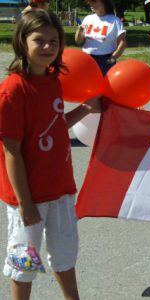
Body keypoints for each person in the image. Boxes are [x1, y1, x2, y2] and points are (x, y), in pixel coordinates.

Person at [0, 10, 101, 299]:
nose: (47, 47)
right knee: (24, 261)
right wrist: (25, 203)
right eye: (39, 40)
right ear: (22, 42)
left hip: (60, 191)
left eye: (54, 41)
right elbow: (11, 151)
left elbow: (55, 127)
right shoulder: (12, 90)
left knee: (65, 254)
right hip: (28, 197)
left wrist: (85, 107)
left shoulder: (54, 81)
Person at [74, 0, 126, 76]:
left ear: (104, 2)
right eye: (90, 2)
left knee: (105, 85)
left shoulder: (115, 21)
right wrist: (79, 30)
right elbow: (78, 41)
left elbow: (122, 43)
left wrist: (113, 58)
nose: (90, 3)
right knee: (87, 85)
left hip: (105, 61)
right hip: (87, 58)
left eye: (94, 1)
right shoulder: (88, 19)